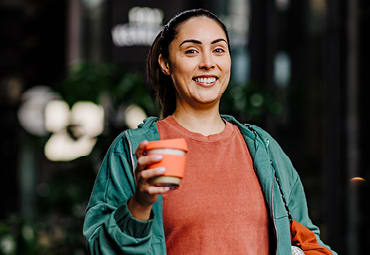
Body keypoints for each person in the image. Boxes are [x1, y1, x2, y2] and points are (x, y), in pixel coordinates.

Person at [83, 8, 337, 255]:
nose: (208, 63)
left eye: (218, 50)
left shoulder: (263, 149)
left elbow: (306, 237)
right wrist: (140, 203)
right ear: (166, 63)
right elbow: (99, 247)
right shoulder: (133, 149)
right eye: (191, 51)